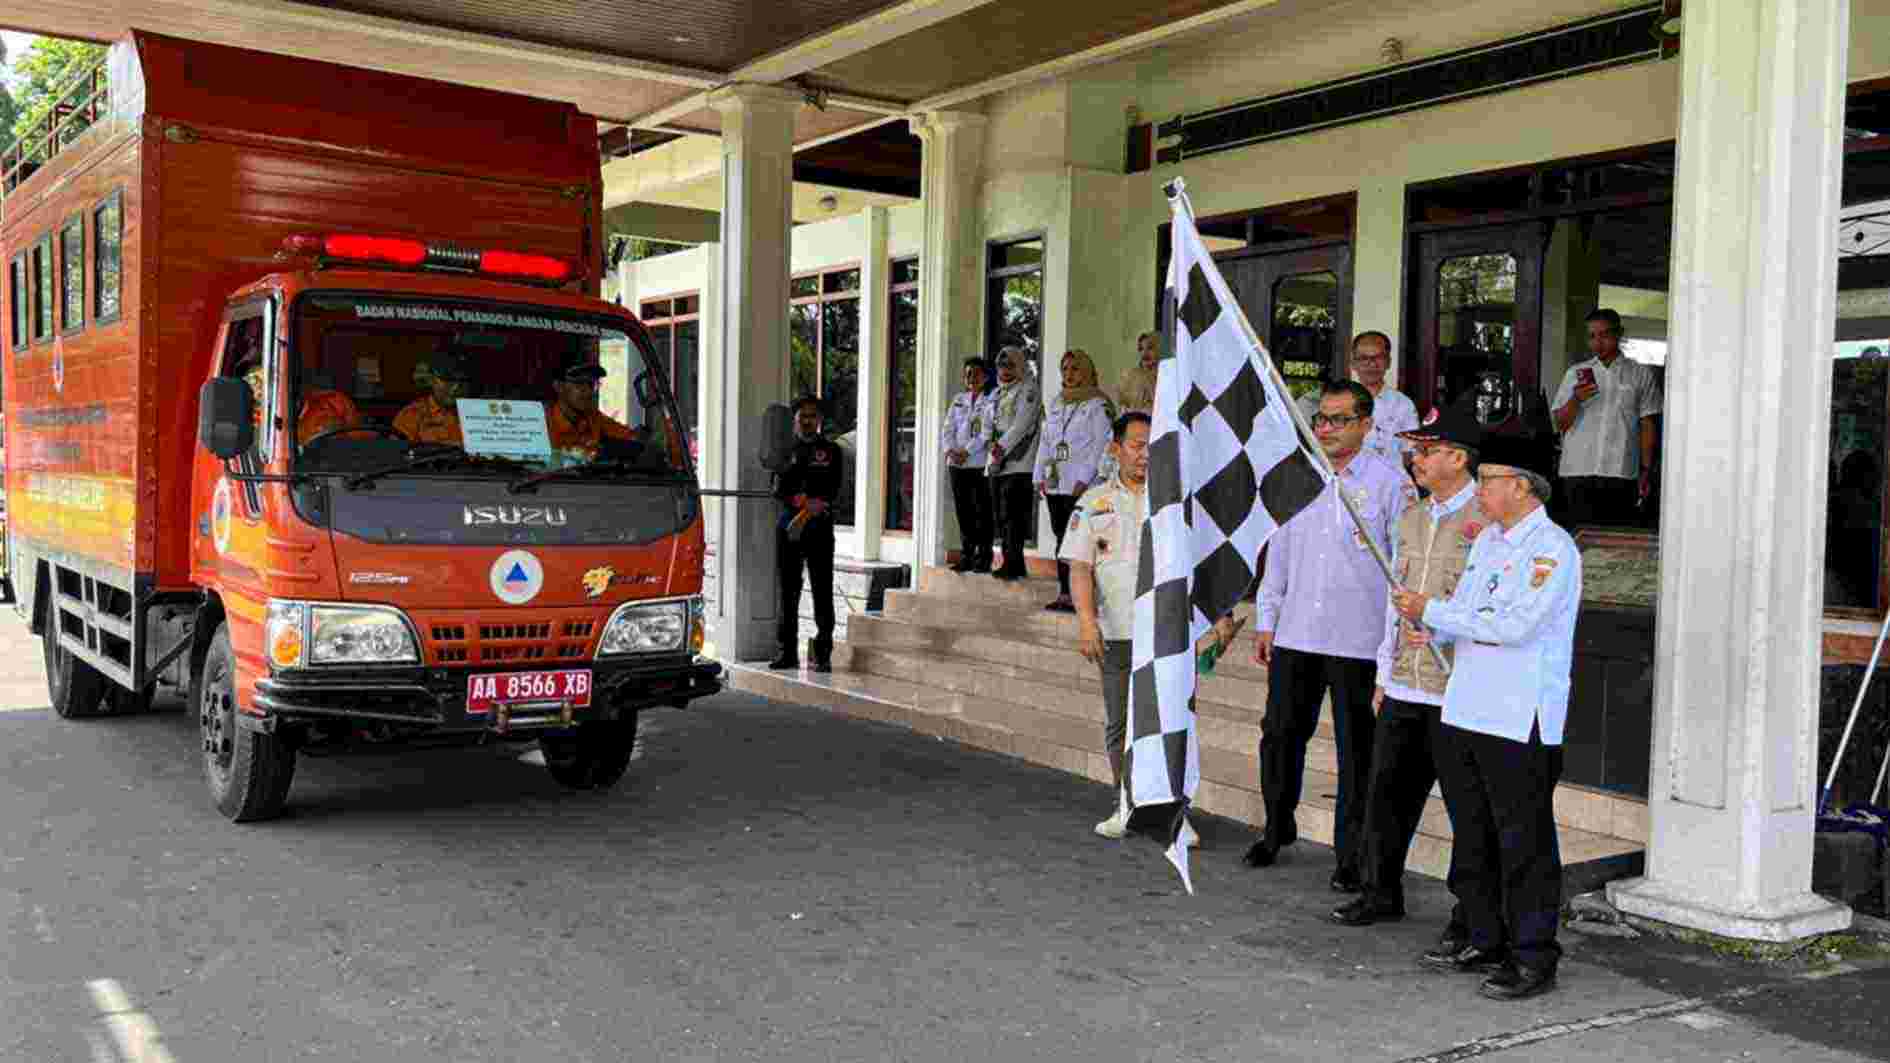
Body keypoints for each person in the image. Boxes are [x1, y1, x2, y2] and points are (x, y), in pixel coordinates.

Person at [1392, 436, 1581, 1002]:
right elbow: (1472, 611)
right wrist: (1437, 626)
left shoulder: (1551, 548)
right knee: (1475, 835)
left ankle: (1533, 955)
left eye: (1491, 478)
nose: (1483, 489)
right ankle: (1485, 935)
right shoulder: (1491, 541)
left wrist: (1434, 610)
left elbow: (1515, 624)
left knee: (1523, 843)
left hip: (1517, 718)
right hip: (1468, 706)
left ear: (1520, 486)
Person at [1248, 380, 1416, 890]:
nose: (1326, 428)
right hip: (1297, 633)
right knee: (1279, 736)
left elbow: (1400, 570)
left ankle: (1351, 855)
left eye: (1339, 420)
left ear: (1366, 425)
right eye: (1321, 419)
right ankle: (1276, 827)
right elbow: (1278, 552)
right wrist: (1266, 618)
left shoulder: (1390, 484)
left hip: (1357, 641)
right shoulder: (1296, 477)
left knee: (1356, 752)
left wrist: (1391, 647)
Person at [1331, 403, 1488, 940]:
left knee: (1469, 809)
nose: (1415, 459)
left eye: (1427, 450)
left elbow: (1485, 605)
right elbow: (1391, 603)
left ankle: (1469, 915)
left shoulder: (1486, 521)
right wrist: (1382, 672)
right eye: (1415, 450)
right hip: (1404, 680)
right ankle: (1379, 891)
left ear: (1459, 458)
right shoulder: (1412, 517)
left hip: (1457, 685)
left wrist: (1445, 632)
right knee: (1387, 795)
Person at [1059, 411, 1152, 837]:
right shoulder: (1094, 502)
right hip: (1117, 633)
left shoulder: (1172, 501)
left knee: (1165, 725)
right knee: (1120, 724)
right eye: (1136, 444)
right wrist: (1086, 623)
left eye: (1152, 444)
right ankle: (1125, 803)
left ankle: (1170, 811)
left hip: (1164, 635)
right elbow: (1080, 568)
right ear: (1115, 448)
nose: (1145, 454)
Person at [1550, 308, 1661, 528]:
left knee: (1615, 543)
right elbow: (1559, 423)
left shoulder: (1639, 374)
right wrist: (1576, 399)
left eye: (1605, 335)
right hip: (1577, 470)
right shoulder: (1575, 374)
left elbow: (1647, 424)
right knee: (1577, 539)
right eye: (1592, 336)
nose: (1598, 342)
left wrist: (1646, 470)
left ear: (1619, 333)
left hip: (1620, 471)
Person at [1035, 350, 1115, 612]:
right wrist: (1039, 477)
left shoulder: (1098, 405)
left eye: (1075, 369)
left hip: (1083, 485)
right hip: (1057, 483)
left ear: (1087, 372)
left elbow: (1102, 444)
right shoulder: (1057, 403)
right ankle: (1066, 594)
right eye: (1065, 369)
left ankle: (1089, 596)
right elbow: (1045, 442)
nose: (1069, 375)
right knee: (1062, 539)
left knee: (1084, 540)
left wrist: (1084, 478)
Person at [772, 395, 843, 673]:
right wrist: (797, 500)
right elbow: (776, 489)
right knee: (788, 592)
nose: (807, 421)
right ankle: (787, 652)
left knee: (822, 590)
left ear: (819, 420)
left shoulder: (832, 450)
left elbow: (837, 488)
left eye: (812, 416)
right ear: (795, 420)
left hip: (820, 527)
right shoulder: (785, 450)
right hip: (790, 529)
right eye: (803, 416)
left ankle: (823, 654)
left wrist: (817, 502)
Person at [987, 347, 1041, 582]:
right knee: (1001, 515)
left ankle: (1014, 563)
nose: (1005, 371)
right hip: (998, 461)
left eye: (1010, 366)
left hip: (1019, 462)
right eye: (1001, 367)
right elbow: (988, 424)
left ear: (1019, 366)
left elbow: (1021, 426)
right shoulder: (997, 393)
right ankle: (1009, 560)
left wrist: (1000, 450)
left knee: (1014, 515)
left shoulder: (1028, 389)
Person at [942, 357, 997, 573]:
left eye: (975, 373)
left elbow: (986, 433)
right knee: (963, 511)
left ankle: (983, 557)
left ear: (985, 376)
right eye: (967, 374)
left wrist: (966, 451)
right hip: (956, 465)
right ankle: (966, 555)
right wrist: (950, 450)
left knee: (982, 511)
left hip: (977, 463)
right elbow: (947, 428)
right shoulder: (958, 399)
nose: (970, 378)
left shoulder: (990, 401)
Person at [545, 354, 637, 457]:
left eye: (591, 384)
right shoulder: (544, 424)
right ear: (559, 386)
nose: (589, 392)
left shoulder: (593, 417)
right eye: (579, 384)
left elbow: (631, 436)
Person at [1350, 331, 1420, 463]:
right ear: (1353, 363)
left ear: (1388, 362)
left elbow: (1410, 452)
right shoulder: (1339, 402)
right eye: (1364, 358)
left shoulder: (1403, 405)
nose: (1371, 364)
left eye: (1378, 357)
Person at [393, 348, 473, 445]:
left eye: (463, 381)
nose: (456, 387)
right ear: (431, 380)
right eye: (448, 379)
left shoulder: (479, 415)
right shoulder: (412, 415)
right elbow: (397, 455)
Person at [1117, 332, 1161, 414]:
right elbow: (1123, 406)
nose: (1144, 353)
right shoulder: (1130, 376)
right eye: (1141, 349)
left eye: (1150, 348)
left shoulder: (1167, 377)